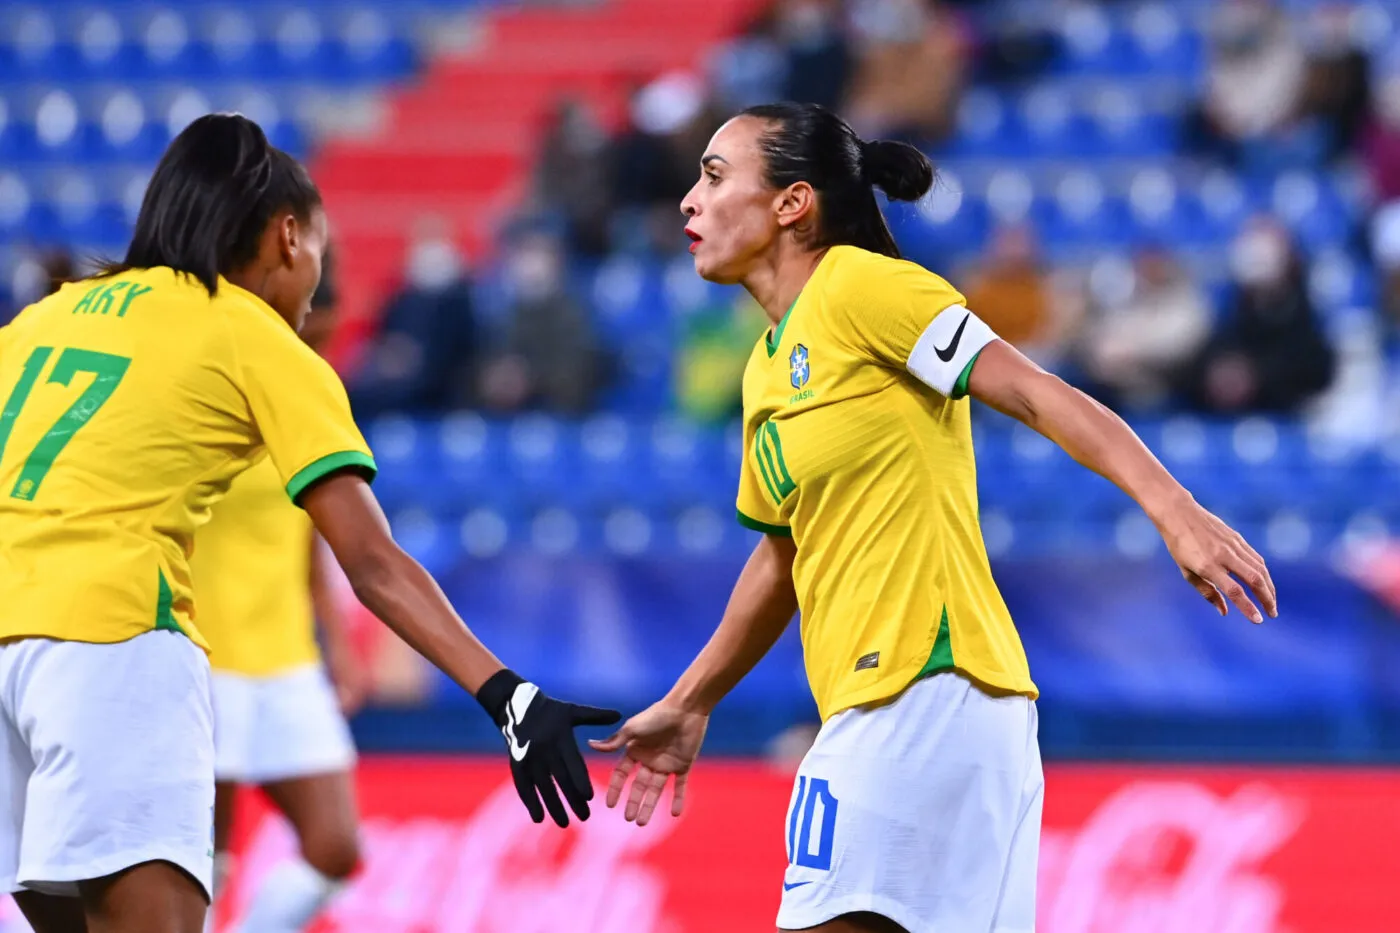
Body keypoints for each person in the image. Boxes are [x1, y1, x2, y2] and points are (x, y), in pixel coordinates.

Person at [592, 102, 1278, 933]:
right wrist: (691, 700)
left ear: (792, 202)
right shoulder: (765, 370)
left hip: (922, 690)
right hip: (921, 709)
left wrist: (1175, 508)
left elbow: (1032, 389)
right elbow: (783, 555)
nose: (688, 200)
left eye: (713, 175)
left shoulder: (862, 287)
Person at [0, 114, 616, 933]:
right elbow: (372, 560)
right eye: (320, 251)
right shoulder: (251, 333)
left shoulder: (45, 318)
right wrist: (509, 695)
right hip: (111, 642)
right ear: (289, 236)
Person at [189, 256, 367, 933]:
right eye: (314, 320)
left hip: (288, 657)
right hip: (206, 654)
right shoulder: (214, 392)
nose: (321, 335)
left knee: (336, 847)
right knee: (203, 854)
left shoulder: (317, 398)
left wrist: (338, 646)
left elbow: (312, 536)